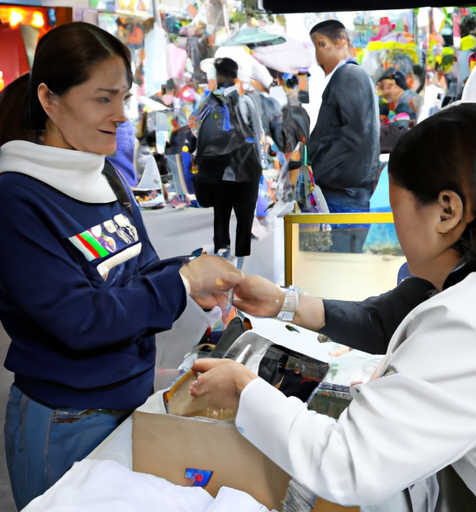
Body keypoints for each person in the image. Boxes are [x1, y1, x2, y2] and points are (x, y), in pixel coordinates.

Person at [0, 23, 243, 511]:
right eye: (103, 99)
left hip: (131, 397)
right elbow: (80, 319)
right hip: (66, 417)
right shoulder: (16, 199)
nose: (121, 116)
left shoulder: (102, 175)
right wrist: (183, 282)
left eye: (122, 98)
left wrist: (193, 273)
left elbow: (138, 266)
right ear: (49, 99)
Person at [190, 104, 476, 511]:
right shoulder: (447, 284)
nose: (395, 229)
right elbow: (379, 319)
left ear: (447, 211)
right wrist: (282, 303)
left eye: (396, 211)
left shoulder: (463, 323)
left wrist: (244, 389)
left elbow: (347, 464)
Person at [307, 20, 380, 252]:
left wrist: (316, 171)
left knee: (332, 269)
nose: (318, 55)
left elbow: (355, 140)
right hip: (344, 195)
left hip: (342, 198)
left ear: (341, 42)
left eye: (322, 44)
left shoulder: (349, 75)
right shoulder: (350, 76)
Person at [193, 57, 263, 260]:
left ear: (219, 75)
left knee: (221, 218)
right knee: (244, 219)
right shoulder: (247, 101)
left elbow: (198, 134)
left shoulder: (207, 103)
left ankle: (222, 257)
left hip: (220, 172)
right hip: (247, 169)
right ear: (235, 76)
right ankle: (242, 261)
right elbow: (257, 136)